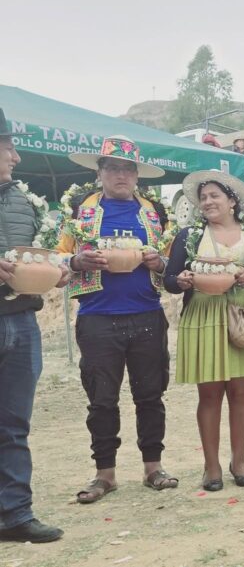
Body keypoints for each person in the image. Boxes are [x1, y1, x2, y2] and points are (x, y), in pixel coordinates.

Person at [60, 135, 177, 504]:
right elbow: (57, 258)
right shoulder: (81, 211)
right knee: (101, 400)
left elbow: (173, 264)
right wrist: (76, 261)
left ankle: (153, 467)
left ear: (137, 175)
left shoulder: (155, 213)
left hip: (146, 313)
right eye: (113, 168)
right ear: (100, 173)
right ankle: (105, 474)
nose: (121, 175)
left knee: (151, 396)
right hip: (97, 317)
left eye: (128, 168)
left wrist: (159, 263)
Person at [163, 171, 244, 492]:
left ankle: (238, 461)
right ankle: (211, 467)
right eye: (204, 197)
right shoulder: (189, 235)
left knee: (241, 393)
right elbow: (170, 280)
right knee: (209, 394)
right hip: (203, 315)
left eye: (215, 196)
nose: (208, 202)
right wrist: (181, 280)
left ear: (232, 201)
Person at [0, 113, 69, 543]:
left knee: (13, 424)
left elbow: (38, 256)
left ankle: (14, 514)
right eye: (7, 145)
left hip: (21, 322)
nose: (16, 155)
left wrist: (53, 271)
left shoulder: (24, 201)